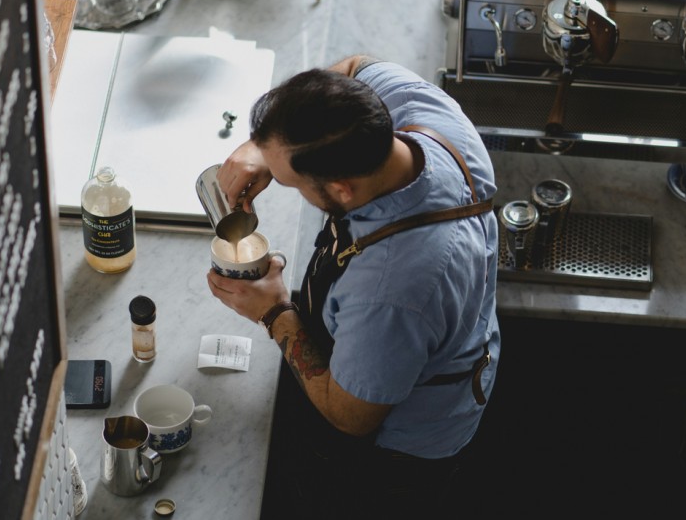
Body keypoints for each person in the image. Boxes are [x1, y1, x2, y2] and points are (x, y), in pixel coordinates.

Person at [207, 55, 500, 519]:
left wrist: (273, 312)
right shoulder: (422, 114)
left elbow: (351, 416)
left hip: (398, 453)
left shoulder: (392, 289)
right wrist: (260, 148)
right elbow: (352, 67)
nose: (281, 184)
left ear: (341, 189)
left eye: (290, 182)